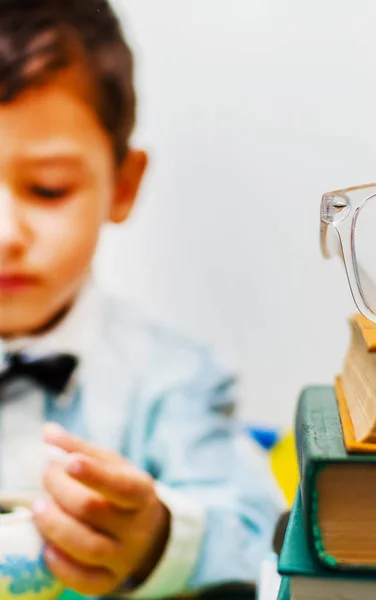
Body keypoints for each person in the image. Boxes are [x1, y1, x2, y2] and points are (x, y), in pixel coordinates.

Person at [0, 0, 285, 597]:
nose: (7, 234)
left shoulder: (176, 379)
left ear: (123, 186)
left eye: (48, 190)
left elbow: (257, 529)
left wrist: (156, 537)